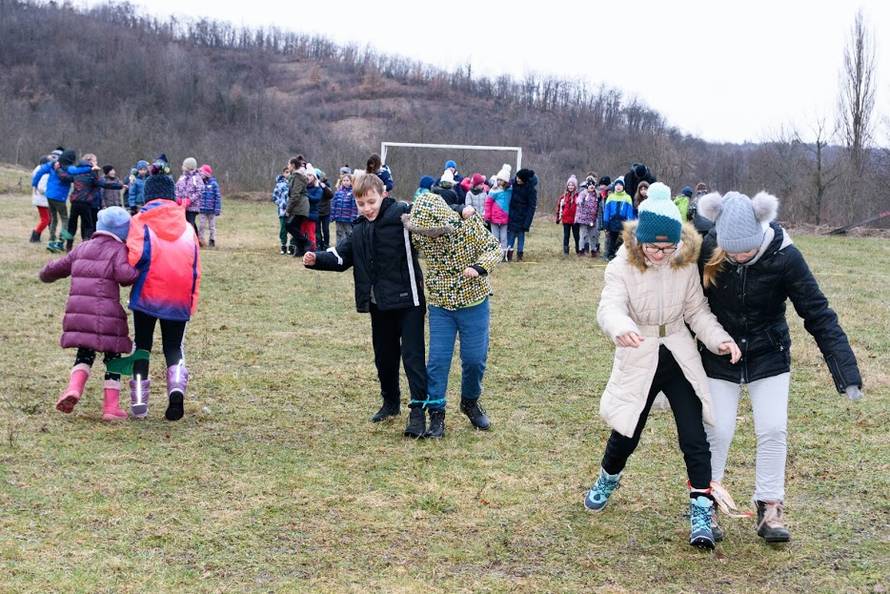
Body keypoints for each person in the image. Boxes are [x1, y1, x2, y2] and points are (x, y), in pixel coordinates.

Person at [697, 190, 863, 544]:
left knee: (773, 429)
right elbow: (687, 307)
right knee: (718, 430)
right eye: (732, 251)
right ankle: (705, 504)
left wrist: (846, 372)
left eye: (746, 250)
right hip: (719, 354)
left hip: (769, 354)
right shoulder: (709, 250)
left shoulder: (785, 256)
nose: (739, 256)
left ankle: (770, 507)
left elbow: (818, 312)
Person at [584, 182, 741, 550]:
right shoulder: (620, 265)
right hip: (639, 352)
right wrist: (620, 328)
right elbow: (610, 306)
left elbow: (696, 311)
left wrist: (719, 339)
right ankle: (608, 476)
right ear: (639, 241)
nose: (659, 254)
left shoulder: (684, 264)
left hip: (678, 354)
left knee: (694, 435)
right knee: (627, 430)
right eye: (652, 247)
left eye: (667, 247)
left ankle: (701, 508)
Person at [302, 172, 429, 438]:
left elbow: (434, 211)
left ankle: (418, 411)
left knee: (413, 357)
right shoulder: (359, 229)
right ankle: (390, 403)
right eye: (362, 204)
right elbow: (340, 257)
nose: (368, 208)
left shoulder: (403, 214)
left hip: (409, 303)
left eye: (372, 202)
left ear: (384, 195)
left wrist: (461, 210)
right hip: (378, 304)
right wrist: (317, 259)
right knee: (384, 356)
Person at [403, 191, 502, 438]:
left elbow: (493, 248)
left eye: (434, 232)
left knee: (473, 360)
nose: (430, 238)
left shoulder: (467, 225)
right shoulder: (419, 234)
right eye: (425, 234)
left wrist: (479, 267)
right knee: (437, 361)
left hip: (474, 303)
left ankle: (470, 402)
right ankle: (436, 414)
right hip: (440, 305)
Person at [39, 206, 138, 421]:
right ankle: (111, 408)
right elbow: (124, 276)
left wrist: (45, 274)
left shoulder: (82, 248)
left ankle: (74, 388)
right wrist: (139, 269)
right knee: (113, 360)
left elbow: (58, 267)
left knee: (84, 354)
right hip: (108, 316)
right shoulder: (118, 250)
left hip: (79, 314)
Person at [126, 172, 202, 421]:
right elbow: (196, 268)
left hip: (148, 293)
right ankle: (177, 387)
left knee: (143, 347)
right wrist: (191, 301)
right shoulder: (188, 228)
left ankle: (139, 404)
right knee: (173, 346)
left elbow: (134, 259)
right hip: (179, 295)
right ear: (172, 196)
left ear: (147, 196)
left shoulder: (140, 221)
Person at [32, 149, 88, 253]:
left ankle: (51, 241)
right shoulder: (68, 168)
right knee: (65, 219)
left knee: (53, 219)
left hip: (49, 196)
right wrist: (90, 168)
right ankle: (60, 241)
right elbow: (77, 171)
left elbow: (40, 171)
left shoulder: (52, 165)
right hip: (60, 197)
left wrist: (35, 184)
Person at [66, 153, 122, 252]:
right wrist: (119, 186)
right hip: (85, 203)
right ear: (90, 161)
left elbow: (66, 177)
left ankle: (68, 246)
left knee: (72, 224)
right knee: (88, 225)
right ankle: (85, 247)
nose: (96, 163)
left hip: (74, 202)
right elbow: (103, 184)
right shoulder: (92, 173)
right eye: (95, 161)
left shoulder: (77, 171)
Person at [507, 168, 538, 262]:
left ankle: (520, 255)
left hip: (523, 217)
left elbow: (531, 207)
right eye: (517, 177)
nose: (517, 179)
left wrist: (527, 223)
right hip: (512, 215)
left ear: (524, 180)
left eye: (520, 178)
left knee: (521, 236)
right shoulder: (513, 185)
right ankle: (508, 255)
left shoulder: (531, 190)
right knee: (511, 235)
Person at [601, 178, 635, 260]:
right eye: (616, 185)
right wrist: (606, 223)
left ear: (623, 187)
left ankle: (622, 255)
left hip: (623, 223)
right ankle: (610, 254)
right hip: (612, 222)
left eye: (620, 185)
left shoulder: (627, 197)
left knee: (623, 240)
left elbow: (629, 212)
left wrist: (629, 224)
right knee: (612, 240)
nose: (618, 186)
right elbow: (606, 211)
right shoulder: (611, 197)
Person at [484, 164, 512, 262]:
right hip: (494, 218)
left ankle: (504, 255)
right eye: (498, 179)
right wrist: (487, 216)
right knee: (495, 237)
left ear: (506, 181)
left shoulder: (510, 190)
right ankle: (495, 255)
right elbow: (488, 203)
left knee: (504, 238)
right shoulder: (493, 190)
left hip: (505, 218)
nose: (499, 181)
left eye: (501, 180)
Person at [285, 156, 311, 257]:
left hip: (300, 206)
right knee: (295, 227)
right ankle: (300, 250)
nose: (287, 167)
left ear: (293, 165)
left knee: (289, 225)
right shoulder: (296, 176)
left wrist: (288, 209)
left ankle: (306, 242)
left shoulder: (298, 177)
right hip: (300, 206)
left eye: (288, 164)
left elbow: (295, 195)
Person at [175, 157, 205, 236]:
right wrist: (177, 199)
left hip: (192, 207)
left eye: (184, 165)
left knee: (190, 223)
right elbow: (177, 188)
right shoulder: (182, 177)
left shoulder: (197, 178)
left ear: (189, 167)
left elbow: (200, 191)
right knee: (183, 222)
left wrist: (190, 200)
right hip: (181, 206)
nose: (182, 167)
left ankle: (191, 239)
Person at [30, 154, 54, 243]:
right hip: (42, 200)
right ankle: (35, 236)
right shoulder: (44, 173)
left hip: (40, 199)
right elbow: (41, 187)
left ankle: (38, 236)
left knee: (48, 218)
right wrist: (50, 191)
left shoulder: (38, 170)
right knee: (45, 220)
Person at [197, 164, 222, 248]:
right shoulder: (200, 184)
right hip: (202, 210)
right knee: (201, 226)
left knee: (212, 226)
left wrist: (217, 209)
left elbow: (217, 197)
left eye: (202, 173)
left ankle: (212, 240)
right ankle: (200, 240)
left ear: (206, 174)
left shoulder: (214, 184)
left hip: (212, 210)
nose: (200, 175)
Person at [331, 172, 357, 245]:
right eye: (344, 180)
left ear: (351, 182)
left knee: (349, 233)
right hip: (338, 218)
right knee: (339, 233)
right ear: (341, 182)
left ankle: (350, 247)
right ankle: (339, 248)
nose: (345, 182)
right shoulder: (338, 192)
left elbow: (354, 206)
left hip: (348, 218)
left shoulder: (353, 192)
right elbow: (334, 205)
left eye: (347, 180)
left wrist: (353, 217)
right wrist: (332, 216)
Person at [556, 175, 580, 255]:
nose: (570, 187)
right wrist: (558, 218)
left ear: (575, 186)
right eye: (569, 185)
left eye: (572, 185)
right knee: (566, 236)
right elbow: (559, 207)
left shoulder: (578, 196)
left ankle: (578, 249)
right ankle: (566, 251)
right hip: (566, 219)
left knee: (576, 236)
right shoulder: (563, 197)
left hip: (575, 220)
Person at [575, 176, 599, 256]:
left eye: (593, 185)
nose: (591, 186)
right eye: (590, 185)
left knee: (593, 235)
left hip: (592, 218)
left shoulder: (597, 194)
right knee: (583, 235)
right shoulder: (583, 193)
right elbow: (578, 200)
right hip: (583, 218)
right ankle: (581, 250)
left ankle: (593, 250)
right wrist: (580, 202)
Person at [272, 168, 292, 254]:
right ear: (283, 173)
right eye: (287, 172)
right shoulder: (279, 184)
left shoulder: (293, 183)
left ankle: (292, 246)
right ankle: (283, 245)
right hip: (282, 211)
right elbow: (274, 197)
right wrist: (281, 203)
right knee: (283, 228)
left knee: (292, 228)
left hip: (292, 210)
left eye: (290, 172)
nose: (288, 174)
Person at [304, 165, 322, 252]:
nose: (308, 177)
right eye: (307, 175)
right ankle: (301, 248)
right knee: (301, 232)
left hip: (312, 215)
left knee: (311, 233)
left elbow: (316, 199)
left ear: (314, 177)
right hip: (302, 214)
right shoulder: (303, 187)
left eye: (310, 175)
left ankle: (312, 250)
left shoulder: (318, 189)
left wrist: (306, 195)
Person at [315, 169, 333, 250]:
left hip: (326, 212)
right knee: (317, 230)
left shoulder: (326, 185)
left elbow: (330, 195)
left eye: (318, 177)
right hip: (316, 212)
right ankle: (319, 244)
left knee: (326, 230)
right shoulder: (313, 186)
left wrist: (324, 187)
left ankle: (326, 244)